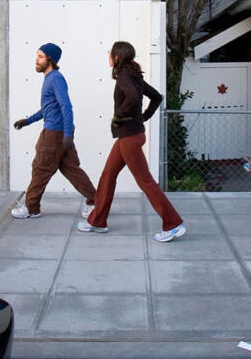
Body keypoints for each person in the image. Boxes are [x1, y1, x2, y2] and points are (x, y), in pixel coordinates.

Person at [77, 41, 187, 243]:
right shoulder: (133, 76)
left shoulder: (125, 77)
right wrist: (143, 117)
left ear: (117, 57)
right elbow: (156, 97)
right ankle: (97, 222)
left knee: (145, 181)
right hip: (130, 135)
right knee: (108, 175)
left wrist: (118, 116)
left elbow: (134, 98)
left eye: (110, 53)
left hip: (129, 137)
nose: (108, 56)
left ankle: (173, 224)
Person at [11, 42, 97, 218]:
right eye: (37, 55)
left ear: (50, 59)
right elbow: (48, 109)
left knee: (40, 169)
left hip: (53, 135)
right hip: (59, 134)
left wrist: (68, 135)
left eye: (40, 56)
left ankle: (31, 208)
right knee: (72, 170)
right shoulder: (50, 78)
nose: (37, 59)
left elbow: (66, 106)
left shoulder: (55, 78)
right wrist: (28, 121)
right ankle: (97, 203)